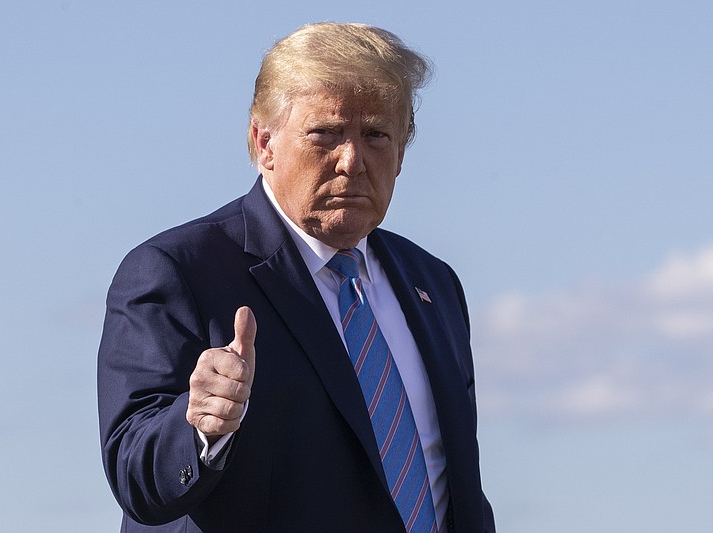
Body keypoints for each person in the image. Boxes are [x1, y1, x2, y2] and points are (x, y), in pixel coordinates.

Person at [98, 22, 495, 533]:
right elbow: (138, 480)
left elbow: (454, 483)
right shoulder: (177, 271)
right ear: (263, 143)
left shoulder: (434, 285)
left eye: (376, 134)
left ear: (401, 154)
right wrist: (199, 425)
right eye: (325, 133)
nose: (351, 160)